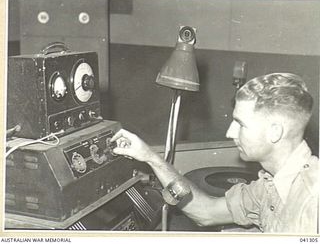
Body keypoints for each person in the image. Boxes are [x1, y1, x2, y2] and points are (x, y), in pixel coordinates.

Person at [110, 73, 319, 233]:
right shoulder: (268, 186)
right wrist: (149, 156)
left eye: (240, 124)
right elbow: (205, 212)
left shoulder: (313, 200)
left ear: (275, 132)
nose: (230, 132)